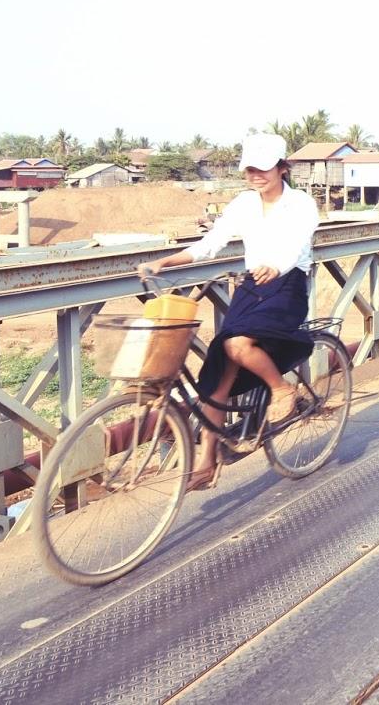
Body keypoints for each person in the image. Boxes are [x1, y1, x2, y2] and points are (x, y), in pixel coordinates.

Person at [138, 133, 320, 490]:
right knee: (217, 370)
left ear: (282, 168)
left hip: (288, 284)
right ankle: (207, 461)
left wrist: (278, 266)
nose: (256, 175)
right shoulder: (243, 204)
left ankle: (281, 390)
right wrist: (167, 261)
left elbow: (299, 241)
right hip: (253, 286)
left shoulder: (300, 203)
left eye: (263, 168)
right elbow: (211, 243)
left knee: (237, 345)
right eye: (250, 169)